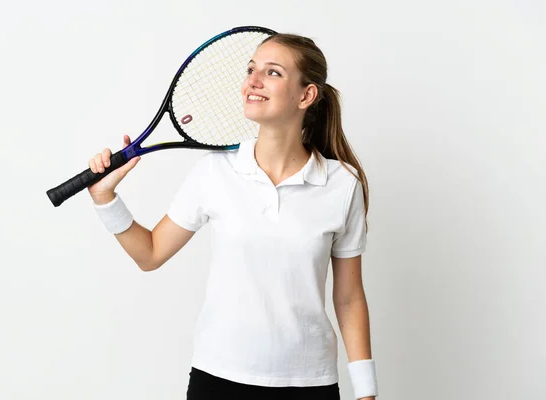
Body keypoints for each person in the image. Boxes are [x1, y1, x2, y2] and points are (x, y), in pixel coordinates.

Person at [88, 33, 378, 400]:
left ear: (306, 95)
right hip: (218, 379)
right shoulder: (215, 173)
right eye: (251, 69)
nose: (253, 81)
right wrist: (105, 197)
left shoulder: (342, 184)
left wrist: (366, 391)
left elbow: (350, 298)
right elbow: (150, 254)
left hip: (309, 383)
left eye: (272, 73)